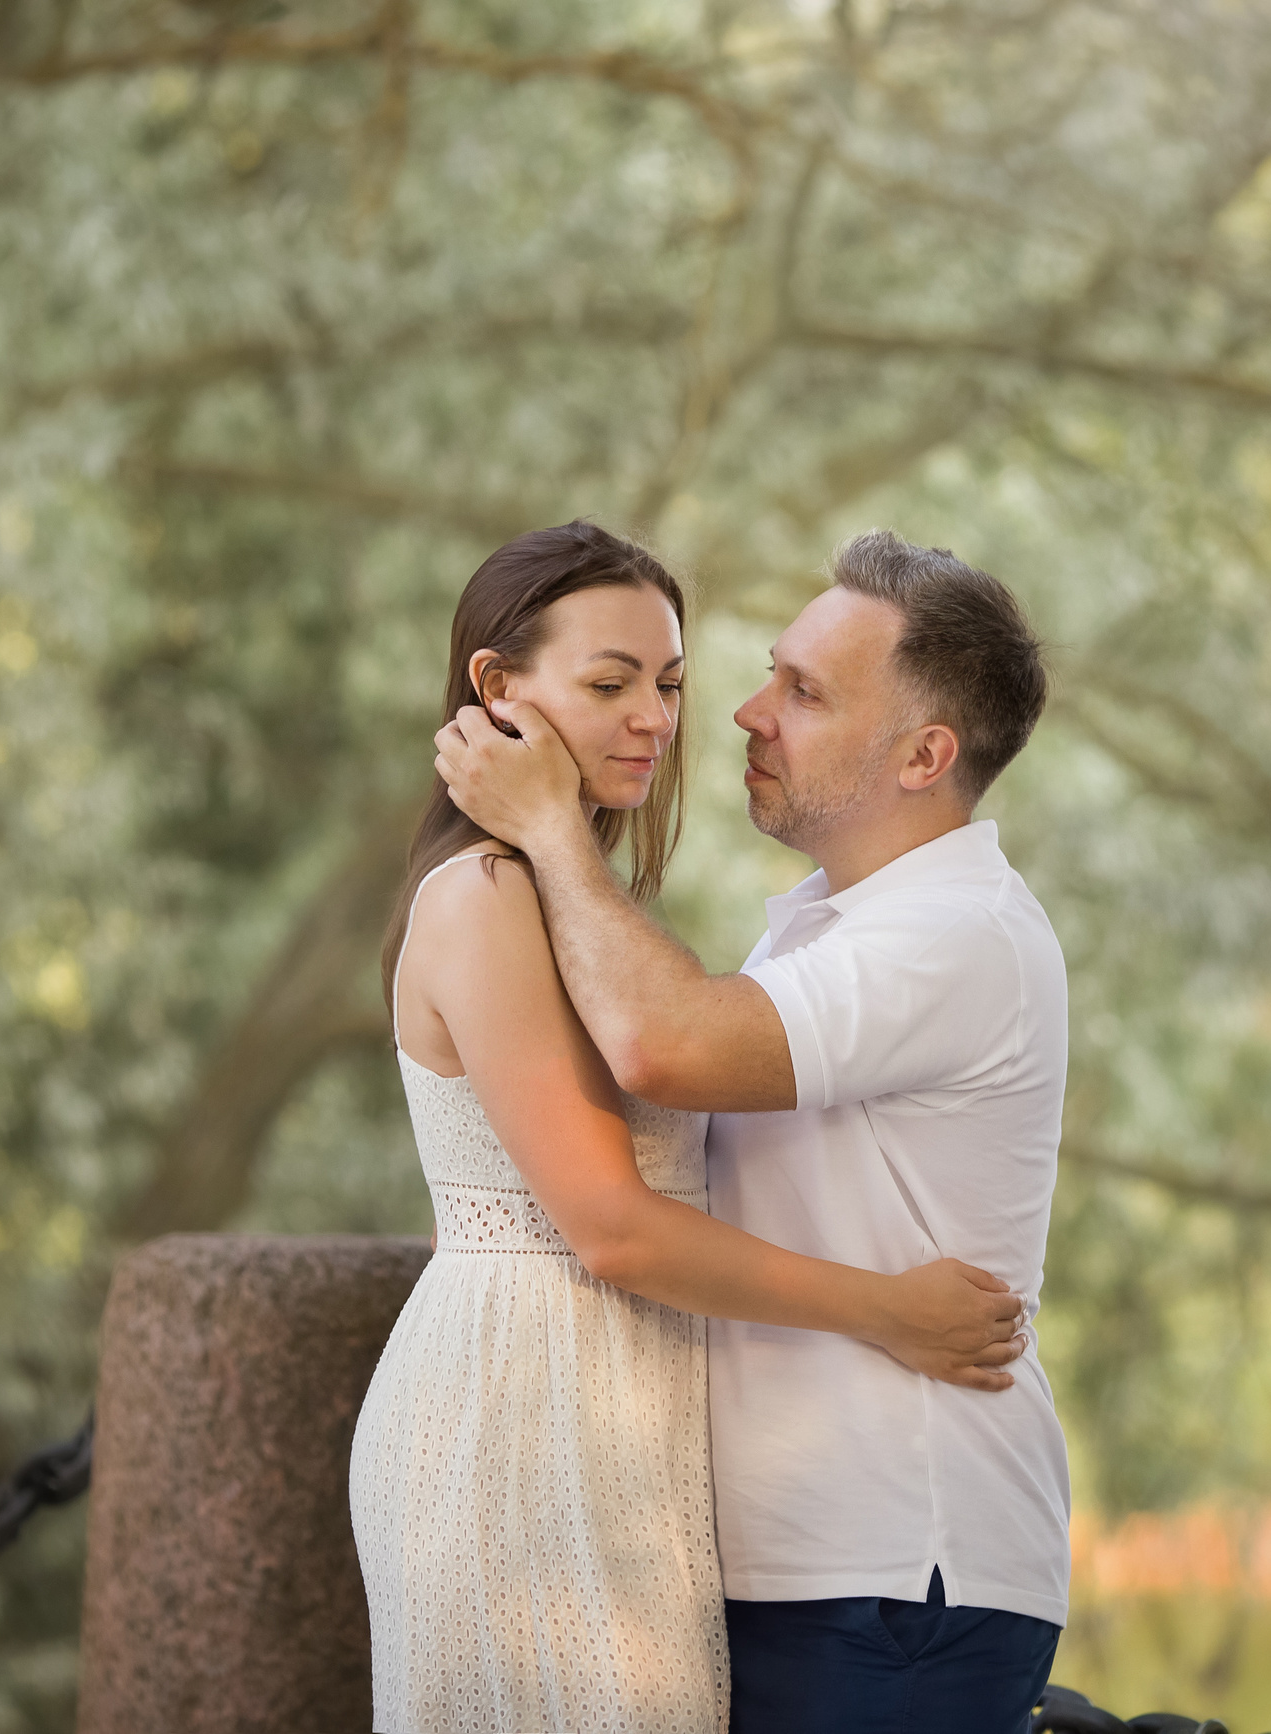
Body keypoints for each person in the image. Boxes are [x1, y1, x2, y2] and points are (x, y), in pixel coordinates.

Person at [347, 521, 1028, 1734]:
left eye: (666, 682)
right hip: (524, 1407)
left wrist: (561, 840)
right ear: (495, 692)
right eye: (610, 683)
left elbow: (670, 1043)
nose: (678, 718)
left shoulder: (914, 932)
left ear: (925, 752)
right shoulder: (491, 902)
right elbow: (611, 1225)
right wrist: (886, 1306)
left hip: (653, 1447)